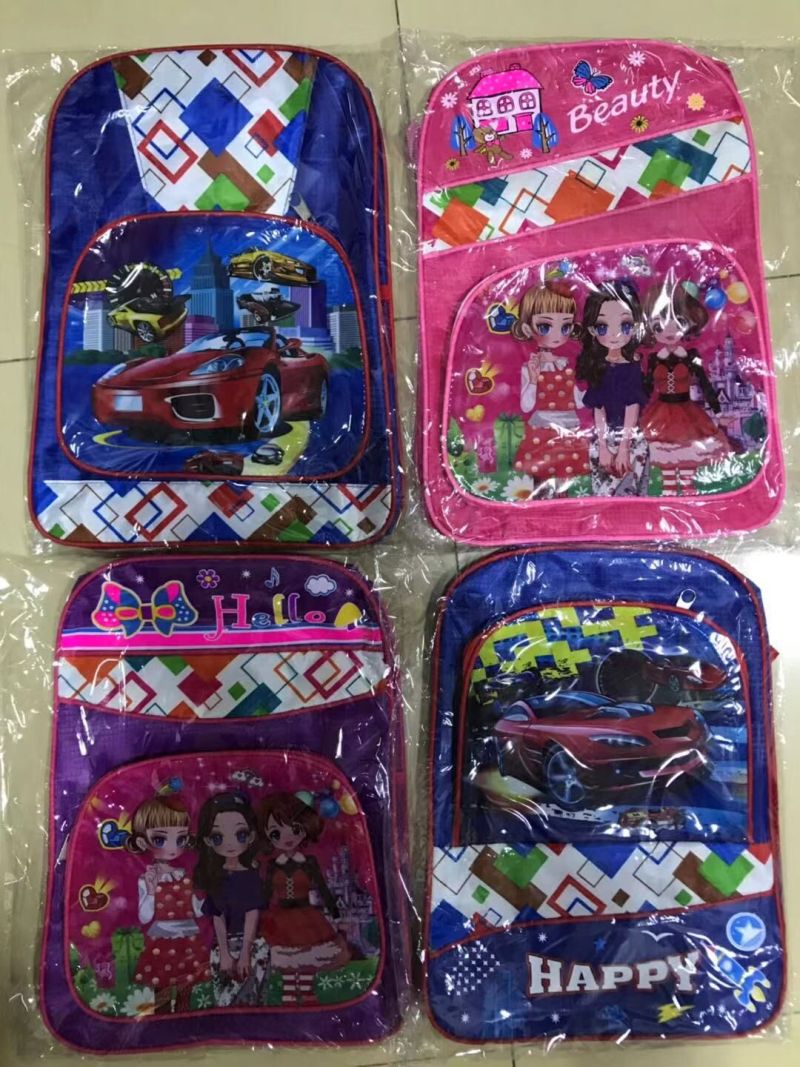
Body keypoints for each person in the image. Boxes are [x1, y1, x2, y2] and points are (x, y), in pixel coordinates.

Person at [641, 275, 733, 495]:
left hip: (688, 413)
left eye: (679, 322)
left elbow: (705, 384)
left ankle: (689, 492)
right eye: (659, 324)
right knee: (667, 462)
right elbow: (646, 389)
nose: (669, 330)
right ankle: (669, 493)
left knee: (688, 457)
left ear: (691, 322)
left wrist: (718, 413)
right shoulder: (654, 359)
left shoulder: (691, 356)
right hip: (660, 414)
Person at [259, 793, 349, 1004]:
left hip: (307, 917)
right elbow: (265, 894)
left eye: (296, 829)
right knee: (288, 967)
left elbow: (323, 890)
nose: (287, 837)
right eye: (276, 832)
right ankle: (290, 1001)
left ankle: (308, 999)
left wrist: (337, 915)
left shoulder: (308, 862)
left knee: (308, 963)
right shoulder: (273, 866)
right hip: (280, 920)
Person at [128, 792, 209, 1013]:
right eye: (160, 839)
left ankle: (184, 1019)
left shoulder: (183, 874)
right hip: (162, 939)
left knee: (186, 991)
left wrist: (210, 899)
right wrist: (150, 891)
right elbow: (144, 916)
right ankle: (160, 1022)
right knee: (162, 990)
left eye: (180, 839)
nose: (173, 846)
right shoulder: (147, 878)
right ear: (142, 841)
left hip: (188, 938)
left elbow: (196, 910)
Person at [510, 281, 589, 493]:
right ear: (527, 328)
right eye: (545, 326)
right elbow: (527, 406)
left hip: (569, 428)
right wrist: (533, 380)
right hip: (542, 428)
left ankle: (563, 511)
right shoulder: (531, 367)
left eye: (565, 327)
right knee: (541, 478)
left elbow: (579, 400)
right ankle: (541, 509)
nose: (557, 335)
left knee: (565, 479)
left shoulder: (565, 364)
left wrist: (598, 385)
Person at [193, 792, 269, 1007]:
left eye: (240, 834)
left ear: (251, 836)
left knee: (253, 997)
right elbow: (217, 916)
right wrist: (225, 953)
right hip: (223, 945)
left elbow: (252, 914)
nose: (230, 844)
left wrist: (245, 952)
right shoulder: (215, 876)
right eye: (218, 837)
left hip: (251, 944)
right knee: (223, 999)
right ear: (208, 840)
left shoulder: (251, 876)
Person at [577, 280, 650, 496]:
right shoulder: (598, 366)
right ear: (592, 330)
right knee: (602, 493)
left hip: (630, 437)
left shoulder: (632, 367)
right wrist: (602, 446)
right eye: (603, 327)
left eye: (625, 325)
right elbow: (598, 409)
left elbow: (632, 407)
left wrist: (624, 447)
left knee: (630, 492)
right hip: (604, 437)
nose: (614, 335)